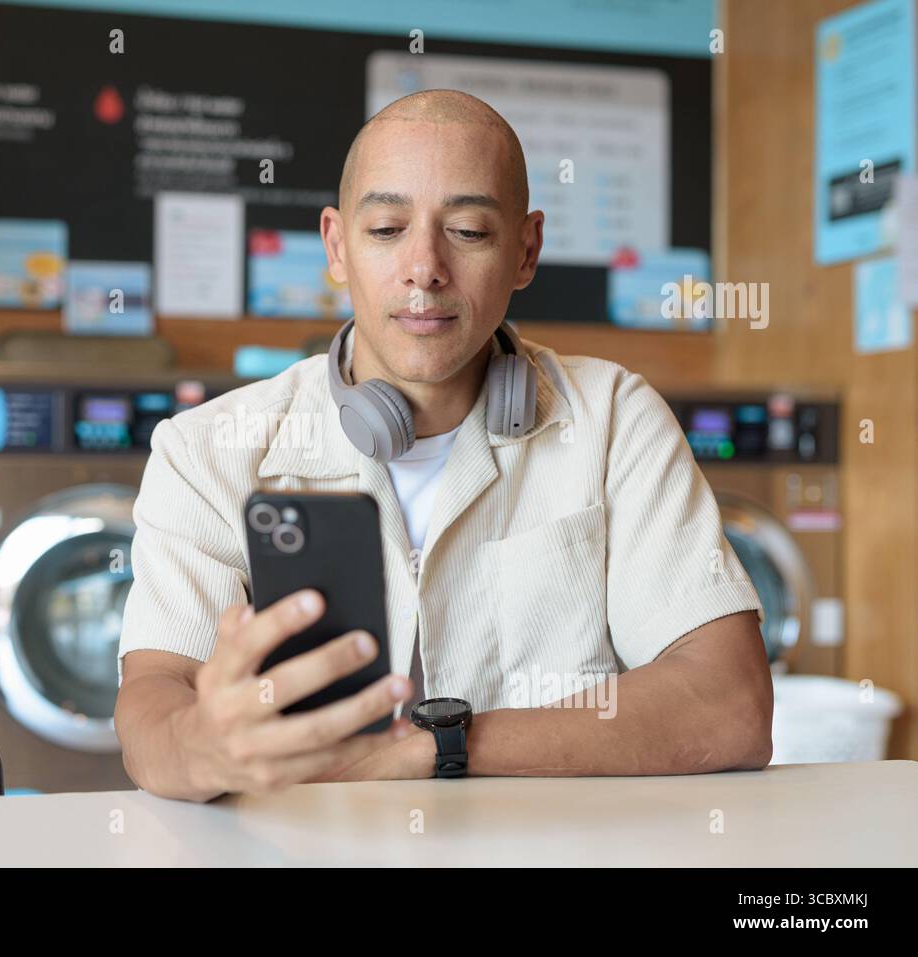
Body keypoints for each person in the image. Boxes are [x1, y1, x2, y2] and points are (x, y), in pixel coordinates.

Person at [114, 89, 771, 802]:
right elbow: (154, 696)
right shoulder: (206, 449)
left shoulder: (615, 419)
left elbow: (730, 705)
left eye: (467, 230)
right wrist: (197, 747)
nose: (424, 267)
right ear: (337, 247)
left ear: (526, 251)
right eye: (388, 227)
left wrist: (436, 748)